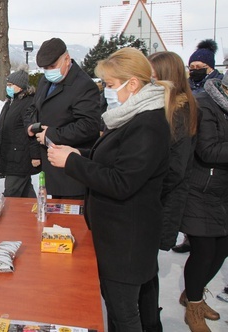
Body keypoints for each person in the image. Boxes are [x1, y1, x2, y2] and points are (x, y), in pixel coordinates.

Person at [46, 47, 171, 331]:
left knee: (124, 314)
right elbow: (116, 161)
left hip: (127, 241)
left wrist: (72, 164)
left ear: (133, 84)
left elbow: (121, 181)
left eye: (112, 85)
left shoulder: (147, 124)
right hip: (121, 234)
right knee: (131, 311)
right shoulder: (133, 115)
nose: (109, 92)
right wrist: (78, 155)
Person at [136, 51, 198, 332]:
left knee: (146, 272)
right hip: (154, 202)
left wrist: (139, 187)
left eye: (152, 74)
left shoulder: (179, 114)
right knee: (145, 271)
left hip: (160, 204)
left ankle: (150, 323)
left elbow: (174, 170)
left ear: (166, 77)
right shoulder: (164, 108)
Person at [178, 73, 228, 332]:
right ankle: (193, 307)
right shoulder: (204, 103)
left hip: (222, 190)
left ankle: (192, 293)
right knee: (204, 250)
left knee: (222, 249)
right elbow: (207, 150)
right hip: (199, 189)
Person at [26, 37, 101, 199]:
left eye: (52, 66)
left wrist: (52, 134)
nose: (48, 71)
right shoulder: (45, 80)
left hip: (71, 176)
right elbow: (34, 107)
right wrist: (32, 125)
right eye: (45, 68)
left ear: (67, 59)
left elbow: (89, 126)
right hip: (49, 168)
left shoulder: (84, 86)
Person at [0, 66, 40, 197]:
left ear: (20, 86)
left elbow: (32, 130)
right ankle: (33, 212)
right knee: (25, 190)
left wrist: (35, 155)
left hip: (19, 157)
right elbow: (3, 128)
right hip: (11, 156)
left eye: (11, 84)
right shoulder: (11, 102)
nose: (8, 87)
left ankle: (14, 216)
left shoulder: (28, 103)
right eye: (8, 84)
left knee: (11, 194)